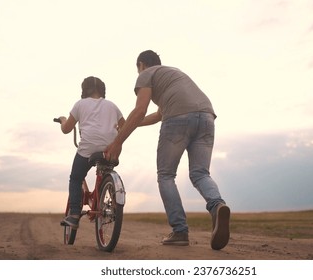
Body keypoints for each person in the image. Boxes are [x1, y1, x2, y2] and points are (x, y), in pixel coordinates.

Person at [105, 50, 230, 250]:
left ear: (141, 65)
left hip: (179, 118)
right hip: (206, 116)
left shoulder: (146, 74)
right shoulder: (173, 74)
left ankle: (180, 230)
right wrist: (127, 126)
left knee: (165, 175)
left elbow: (140, 111)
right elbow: (156, 116)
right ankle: (217, 206)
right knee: (200, 173)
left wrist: (118, 141)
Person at [58, 76, 125, 228]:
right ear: (102, 90)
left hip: (87, 148)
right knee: (103, 171)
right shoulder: (112, 106)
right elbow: (124, 126)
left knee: (75, 178)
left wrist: (63, 120)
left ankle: (74, 214)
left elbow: (67, 129)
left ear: (84, 89)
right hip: (110, 149)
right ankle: (106, 200)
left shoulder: (80, 104)